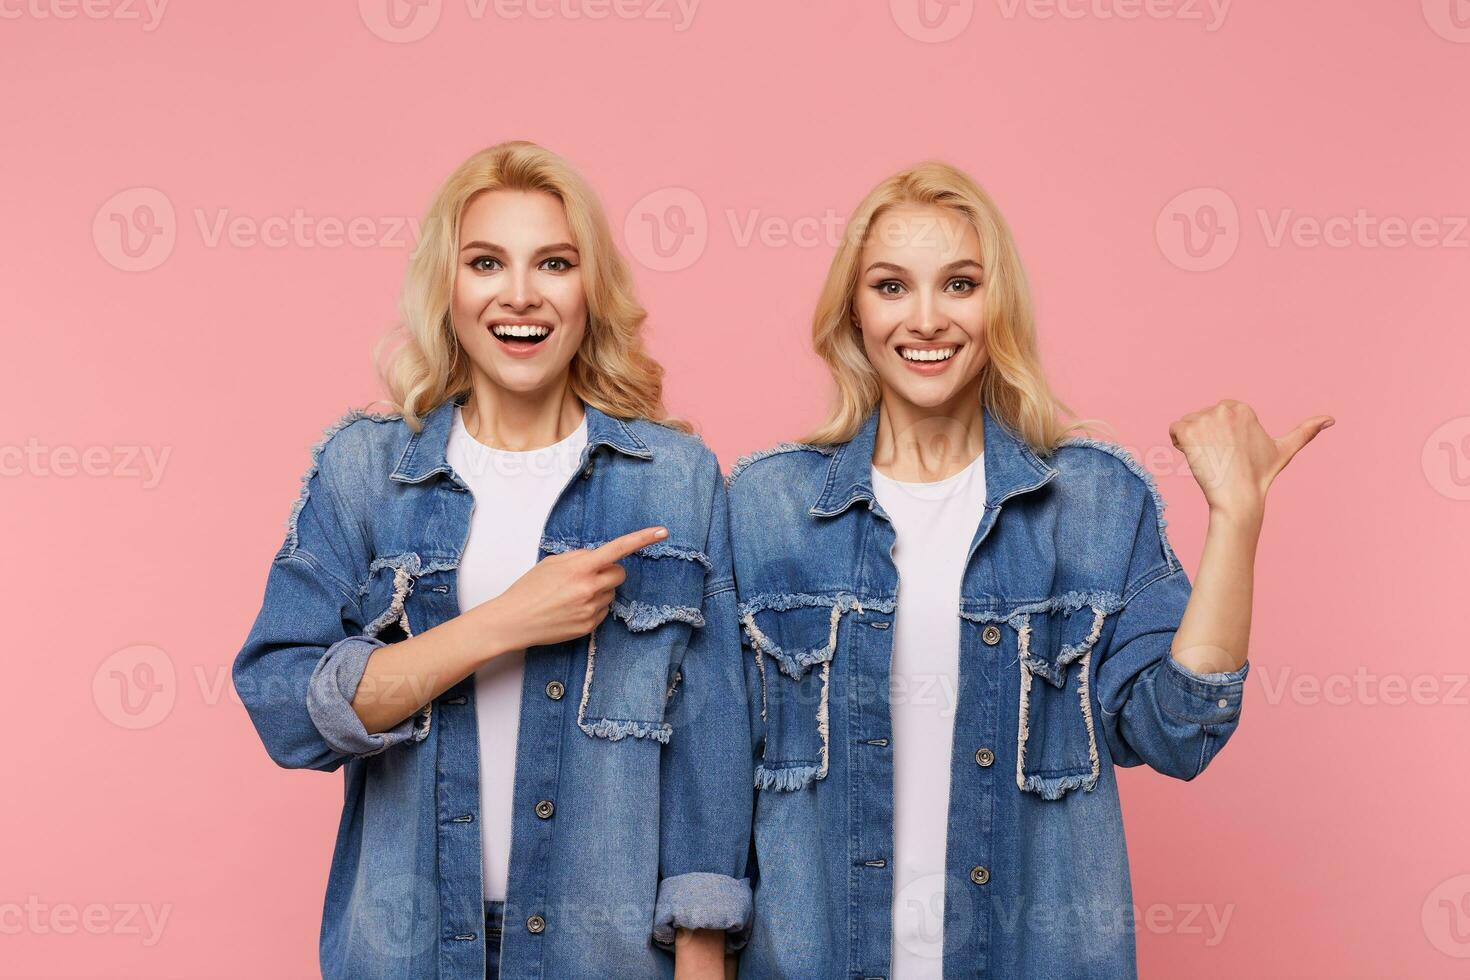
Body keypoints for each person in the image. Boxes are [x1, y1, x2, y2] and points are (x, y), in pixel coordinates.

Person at [727, 161, 1331, 978]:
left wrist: (1237, 517)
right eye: (892, 286)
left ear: (997, 303)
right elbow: (711, 775)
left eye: (961, 284)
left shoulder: (1094, 498)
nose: (928, 317)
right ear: (855, 312)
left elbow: (1177, 732)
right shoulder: (766, 506)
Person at [233, 140, 752, 980]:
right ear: (449, 288)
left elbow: (711, 743)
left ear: (591, 291)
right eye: (486, 262)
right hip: (406, 951)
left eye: (553, 262)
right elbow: (283, 706)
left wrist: (702, 955)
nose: (520, 295)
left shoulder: (676, 480)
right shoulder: (368, 471)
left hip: (607, 955)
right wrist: (503, 623)